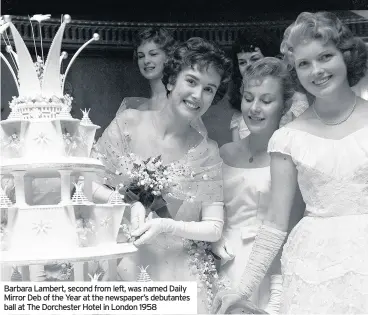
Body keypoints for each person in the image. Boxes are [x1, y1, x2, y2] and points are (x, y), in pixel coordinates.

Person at [212, 11, 368, 314]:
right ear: (295, 72)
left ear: (346, 56)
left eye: (325, 56)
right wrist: (242, 289)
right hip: (311, 267)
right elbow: (275, 222)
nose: (317, 70)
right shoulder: (288, 138)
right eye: (304, 63)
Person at [94, 37, 232, 313]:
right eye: (191, 81)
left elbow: (214, 227)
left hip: (177, 269)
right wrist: (126, 204)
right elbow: (88, 184)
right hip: (120, 259)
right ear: (170, 81)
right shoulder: (127, 123)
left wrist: (168, 226)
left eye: (208, 89)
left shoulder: (207, 152)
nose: (197, 95)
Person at [212, 57, 304, 314]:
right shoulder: (224, 153)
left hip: (269, 268)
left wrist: (277, 290)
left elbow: (286, 228)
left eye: (266, 101)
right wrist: (214, 244)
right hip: (224, 262)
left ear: (284, 106)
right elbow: (210, 211)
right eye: (249, 98)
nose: (254, 108)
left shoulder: (290, 157)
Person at [117, 27, 207, 135]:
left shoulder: (180, 105)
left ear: (168, 57)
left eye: (153, 54)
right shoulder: (136, 109)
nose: (146, 61)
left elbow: (195, 148)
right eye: (141, 56)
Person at [228, 29, 309, 141]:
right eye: (242, 62)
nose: (249, 66)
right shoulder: (240, 112)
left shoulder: (296, 101)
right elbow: (236, 153)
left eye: (255, 59)